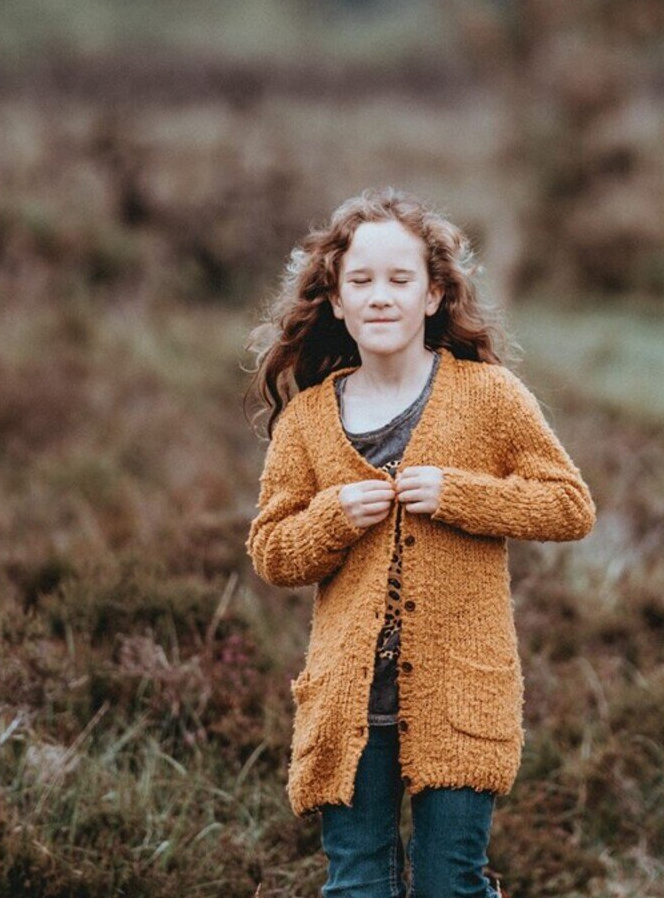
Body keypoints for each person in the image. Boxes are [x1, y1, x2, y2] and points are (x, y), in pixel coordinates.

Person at [246, 187, 595, 898]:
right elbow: (272, 550)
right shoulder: (307, 421)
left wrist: (462, 496)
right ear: (336, 300)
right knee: (357, 886)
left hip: (462, 693)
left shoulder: (490, 395)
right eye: (361, 281)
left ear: (433, 294)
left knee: (449, 884)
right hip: (347, 704)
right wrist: (334, 516)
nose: (381, 296)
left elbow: (570, 505)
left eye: (400, 280)